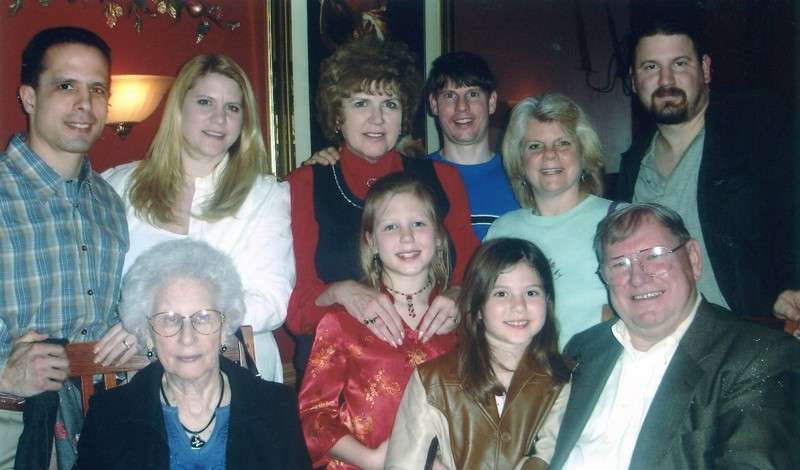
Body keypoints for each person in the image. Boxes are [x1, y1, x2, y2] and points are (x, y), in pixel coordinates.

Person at [547, 203, 800, 469]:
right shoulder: (584, 349)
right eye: (619, 264)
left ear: (693, 258)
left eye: (654, 255)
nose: (638, 278)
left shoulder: (759, 357)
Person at [286, 37, 477, 382]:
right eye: (361, 103)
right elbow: (297, 313)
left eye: (389, 104)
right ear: (338, 115)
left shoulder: (443, 178)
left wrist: (458, 295)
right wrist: (342, 292)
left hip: (438, 369)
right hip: (340, 378)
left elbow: (475, 272)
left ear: (404, 116)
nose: (377, 118)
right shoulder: (305, 184)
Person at [102, 54, 294, 382]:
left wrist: (158, 323)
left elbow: (270, 301)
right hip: (139, 375)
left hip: (237, 370)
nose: (219, 118)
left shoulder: (265, 195)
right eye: (205, 102)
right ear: (179, 108)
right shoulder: (119, 185)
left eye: (233, 108)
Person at [0, 27, 128, 467]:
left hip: (101, 420)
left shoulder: (109, 201)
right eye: (66, 86)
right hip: (11, 422)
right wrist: (4, 375)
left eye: (98, 89)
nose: (85, 104)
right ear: (29, 97)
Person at [617, 8, 795, 316]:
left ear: (705, 69)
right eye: (651, 67)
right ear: (634, 80)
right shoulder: (632, 165)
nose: (666, 80)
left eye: (680, 63)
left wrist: (790, 285)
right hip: (665, 335)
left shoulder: (760, 130)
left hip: (752, 330)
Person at [76, 239, 311, 469]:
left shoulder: (276, 407)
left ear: (224, 328)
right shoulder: (109, 415)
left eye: (203, 317)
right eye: (169, 319)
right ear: (147, 334)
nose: (187, 338)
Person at [298, 173, 458, 470]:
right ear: (371, 241)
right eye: (390, 226)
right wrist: (370, 459)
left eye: (418, 223)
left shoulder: (462, 321)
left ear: (438, 236)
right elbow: (313, 416)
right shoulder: (342, 322)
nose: (406, 237)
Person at [385, 238, 571, 469]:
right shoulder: (433, 380)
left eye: (531, 292)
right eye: (501, 294)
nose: (519, 306)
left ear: (548, 300)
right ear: (478, 307)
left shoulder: (564, 378)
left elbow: (551, 452)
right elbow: (403, 464)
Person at [304, 51, 519, 240]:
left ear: (492, 102)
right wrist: (322, 169)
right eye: (449, 95)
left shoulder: (521, 176)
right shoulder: (412, 178)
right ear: (433, 104)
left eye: (472, 94)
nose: (462, 107)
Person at [486, 93, 611, 347]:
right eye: (535, 146)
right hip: (522, 369)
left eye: (563, 143)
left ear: (583, 153)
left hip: (599, 366)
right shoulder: (502, 230)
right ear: (520, 161)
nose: (550, 155)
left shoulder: (619, 220)